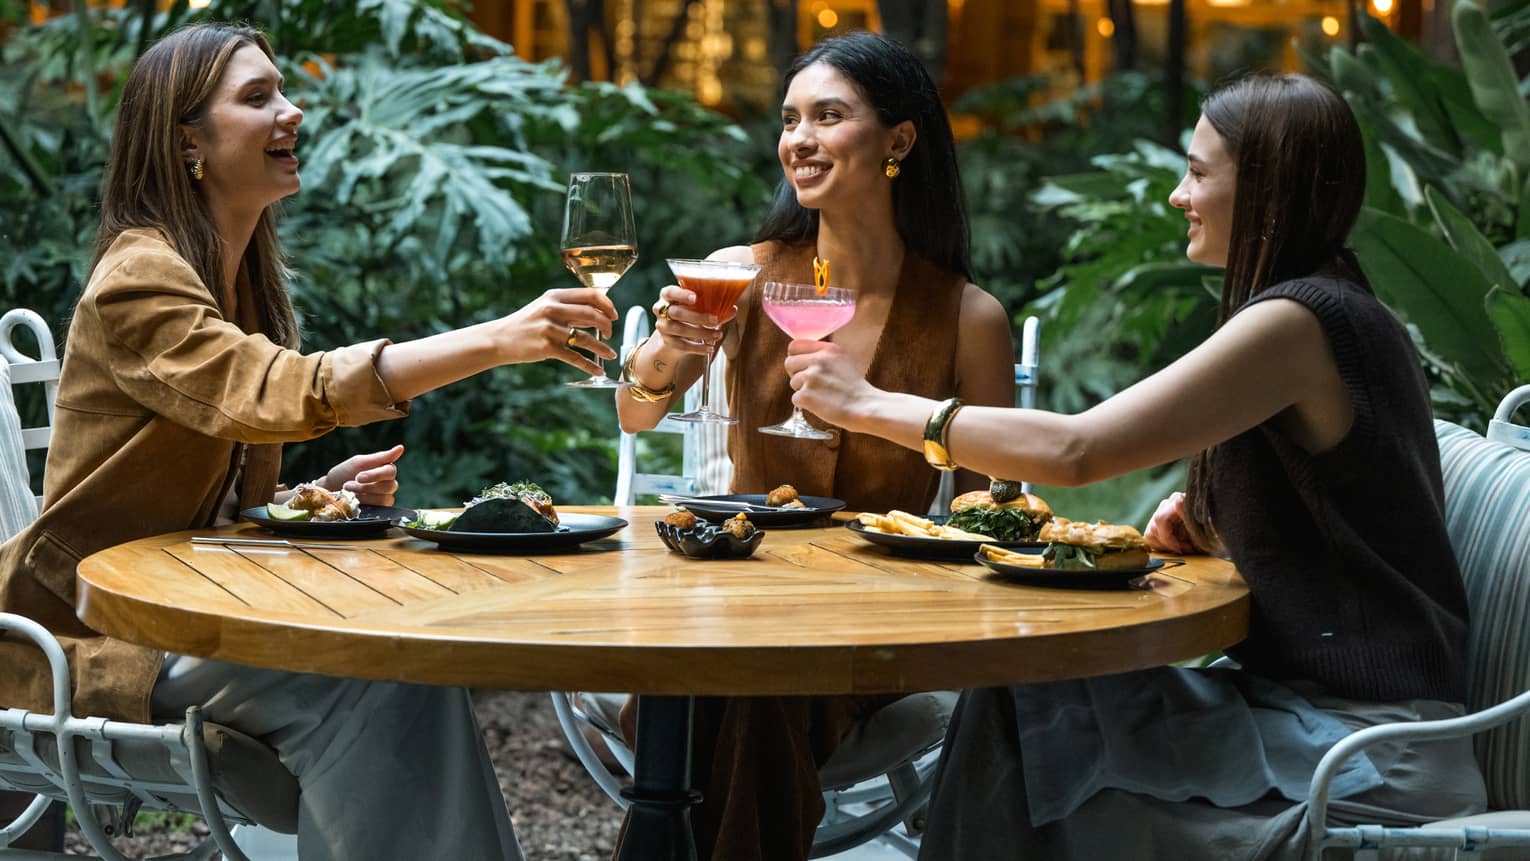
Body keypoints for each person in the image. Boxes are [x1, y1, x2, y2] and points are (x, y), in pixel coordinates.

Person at [784, 73, 1488, 859]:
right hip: (1305, 715)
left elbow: (1077, 449)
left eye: (1197, 172)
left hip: (1361, 755)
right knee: (1022, 701)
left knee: (1024, 732)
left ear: (1264, 186)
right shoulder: (1331, 307)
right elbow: (1357, 513)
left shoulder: (1300, 321)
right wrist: (1225, 532)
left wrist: (870, 405)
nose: (1178, 195)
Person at [0, 23, 618, 861]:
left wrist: (304, 499)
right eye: (258, 98)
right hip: (99, 629)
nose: (292, 111)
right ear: (190, 144)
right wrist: (499, 338)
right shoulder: (140, 276)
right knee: (370, 679)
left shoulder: (236, 276)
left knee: (398, 658)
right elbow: (282, 391)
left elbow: (209, 479)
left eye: (282, 91)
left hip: (191, 607)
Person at [611, 31, 1014, 861]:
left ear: (898, 140)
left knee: (743, 685)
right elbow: (635, 412)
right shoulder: (739, 275)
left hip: (874, 616)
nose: (799, 139)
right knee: (746, 673)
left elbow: (992, 505)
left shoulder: (967, 317)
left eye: (829, 116)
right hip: (737, 593)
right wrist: (672, 347)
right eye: (791, 119)